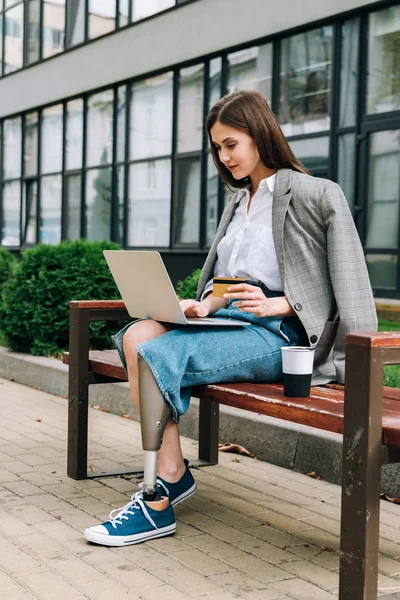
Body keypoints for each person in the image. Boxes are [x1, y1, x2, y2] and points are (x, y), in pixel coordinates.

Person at [83, 90, 377, 547]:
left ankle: (157, 496)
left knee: (157, 352)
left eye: (231, 144)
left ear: (260, 135)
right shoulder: (238, 201)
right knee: (138, 335)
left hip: (281, 333)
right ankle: (174, 470)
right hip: (231, 320)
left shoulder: (318, 194)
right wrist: (204, 304)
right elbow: (229, 280)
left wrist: (285, 305)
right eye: (217, 147)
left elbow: (351, 282)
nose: (224, 156)